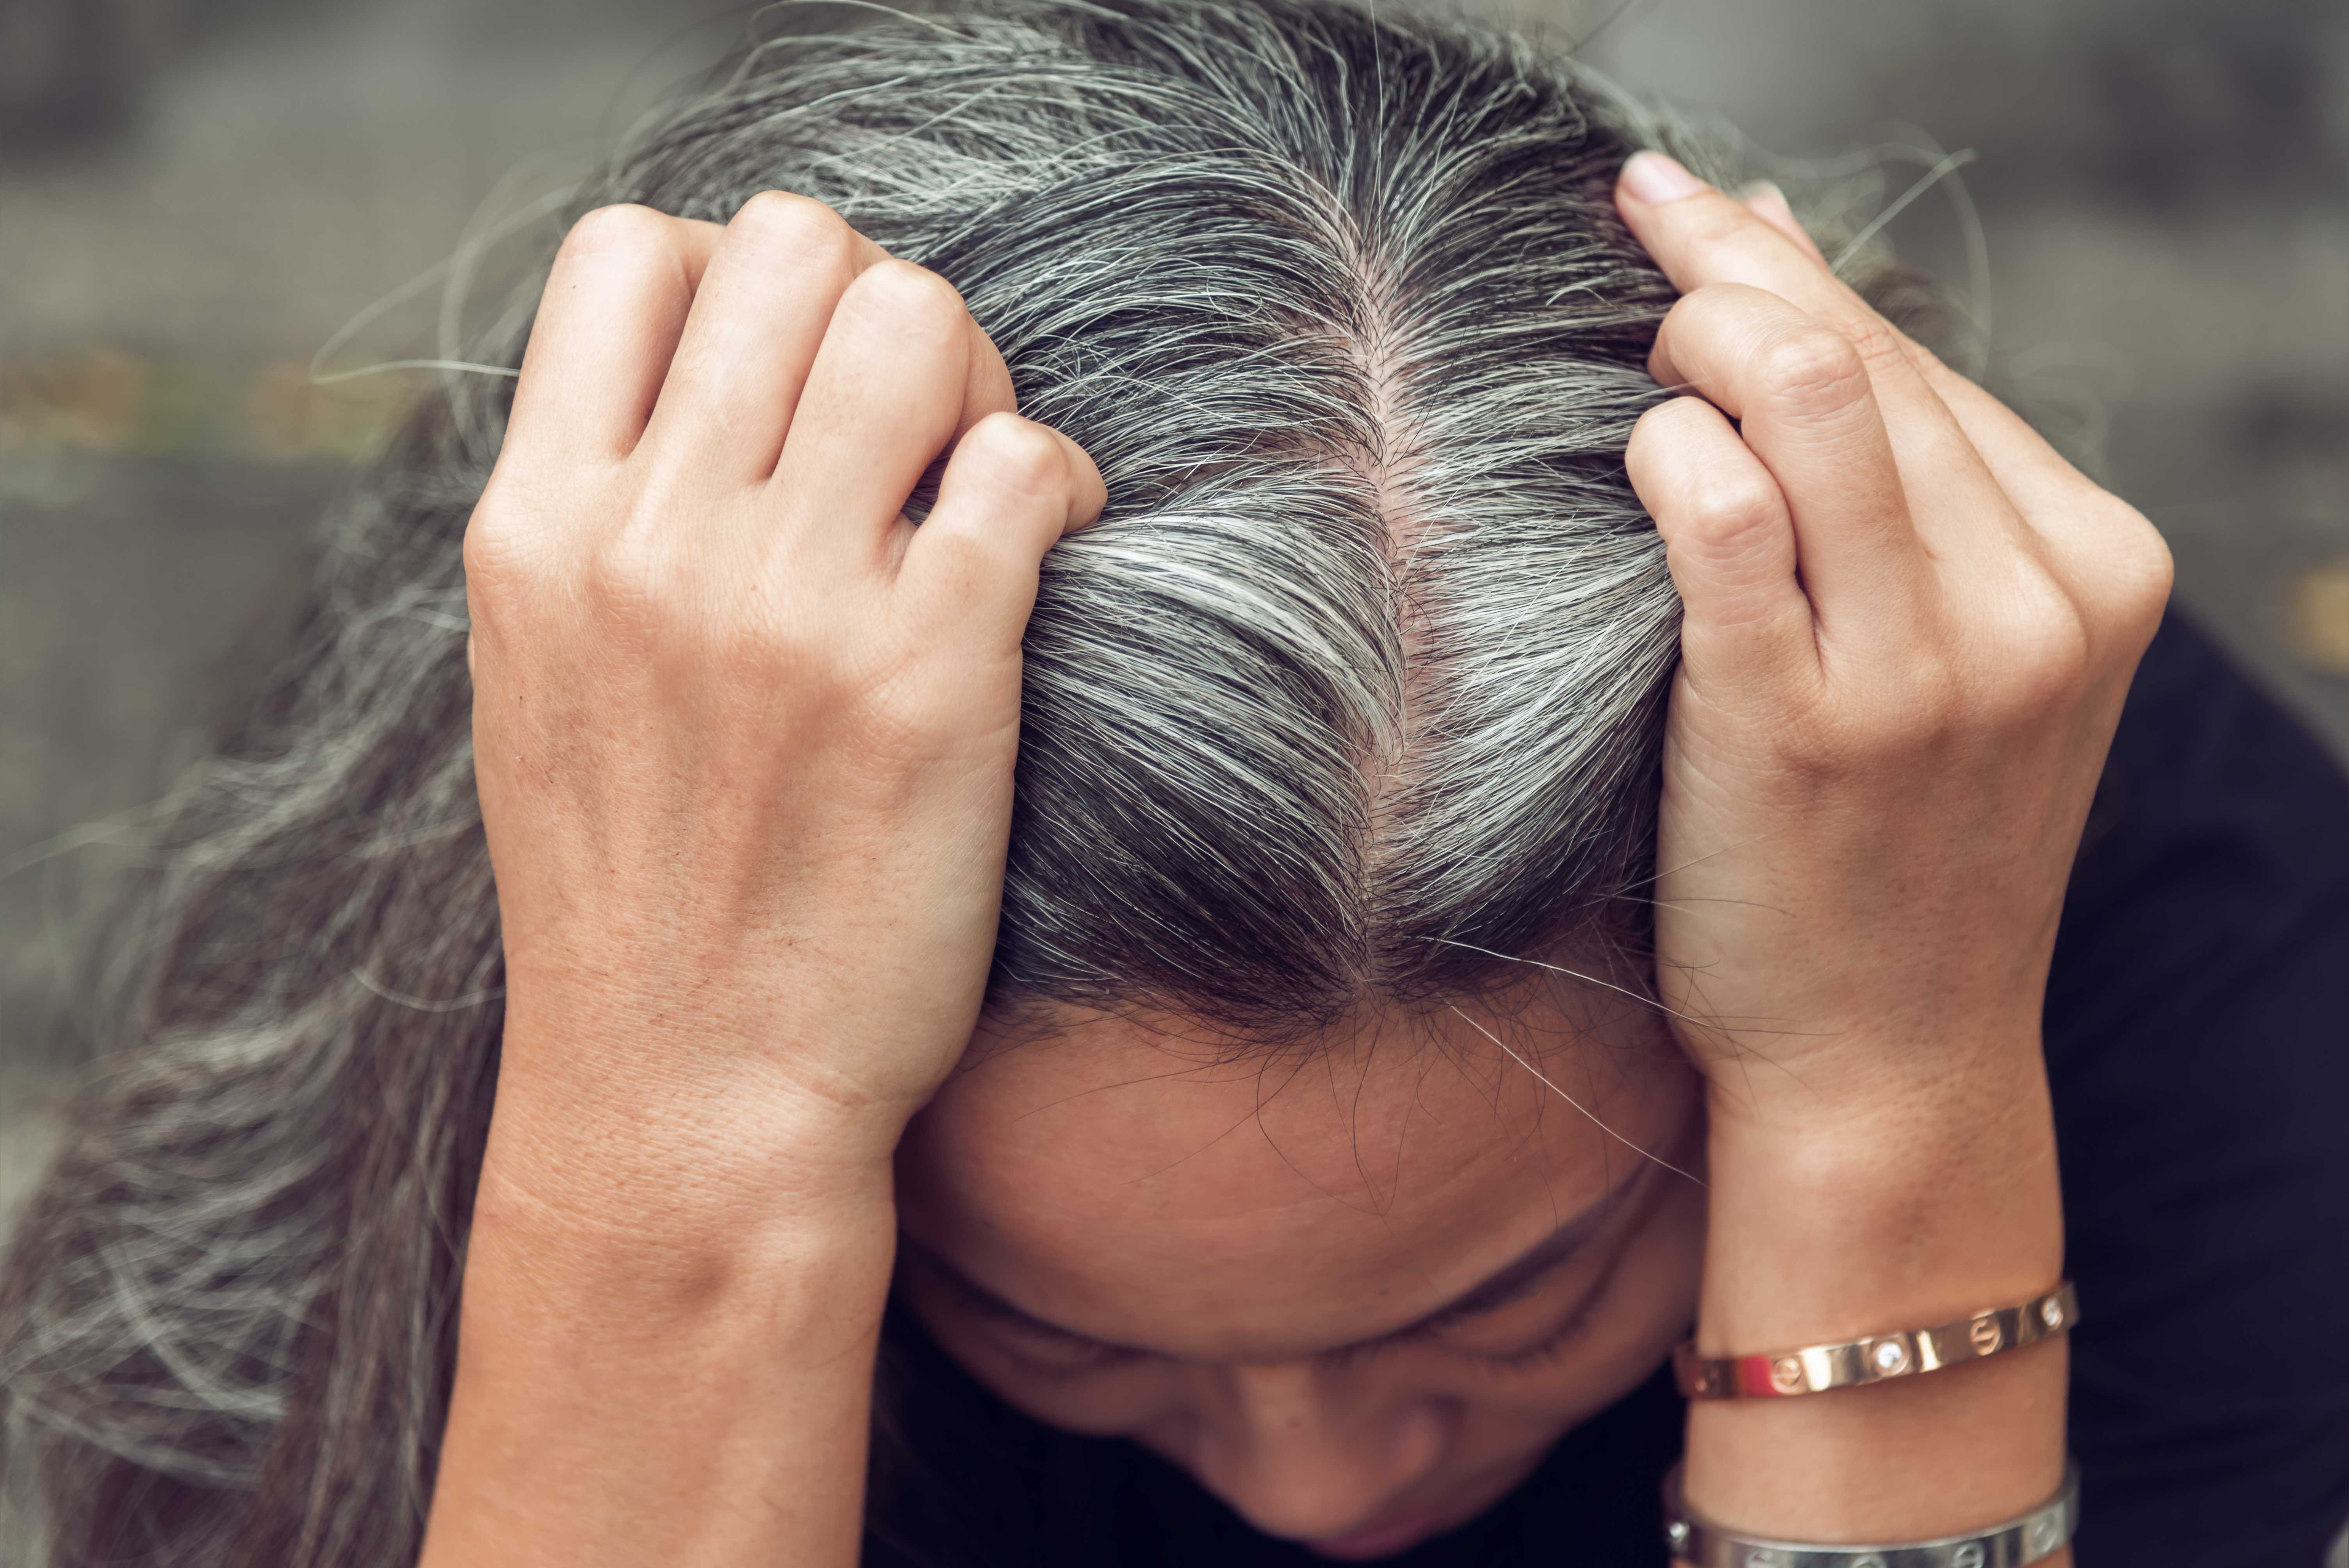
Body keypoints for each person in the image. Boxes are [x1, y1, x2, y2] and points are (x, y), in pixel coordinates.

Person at [3, 2, 2345, 1564]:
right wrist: (674, 1136)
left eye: (1506, 1304)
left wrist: (1885, 1105)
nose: (1320, 1493)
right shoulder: (486, 1002)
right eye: (1064, 1330)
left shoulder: (2192, 980)